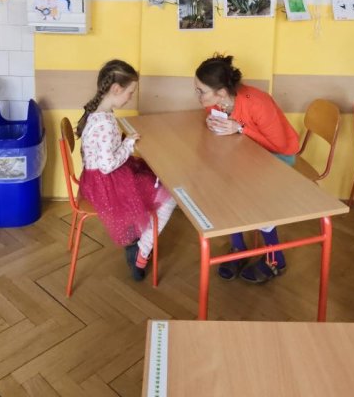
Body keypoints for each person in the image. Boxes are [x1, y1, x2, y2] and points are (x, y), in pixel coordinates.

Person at [194, 54, 300, 284]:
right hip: (247, 150)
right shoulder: (220, 99)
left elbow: (279, 145)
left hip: (278, 157)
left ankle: (276, 258)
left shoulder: (257, 103)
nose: (198, 96)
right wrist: (212, 120)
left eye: (201, 91)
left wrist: (240, 128)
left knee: (251, 197)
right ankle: (239, 248)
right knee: (223, 183)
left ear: (221, 92)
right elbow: (214, 113)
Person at [76, 60, 176, 281]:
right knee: (169, 196)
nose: (130, 97)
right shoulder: (105, 123)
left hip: (96, 179)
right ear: (116, 89)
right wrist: (128, 144)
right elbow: (108, 165)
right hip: (106, 183)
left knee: (151, 177)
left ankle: (138, 238)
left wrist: (124, 142)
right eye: (130, 93)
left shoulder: (98, 113)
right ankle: (142, 249)